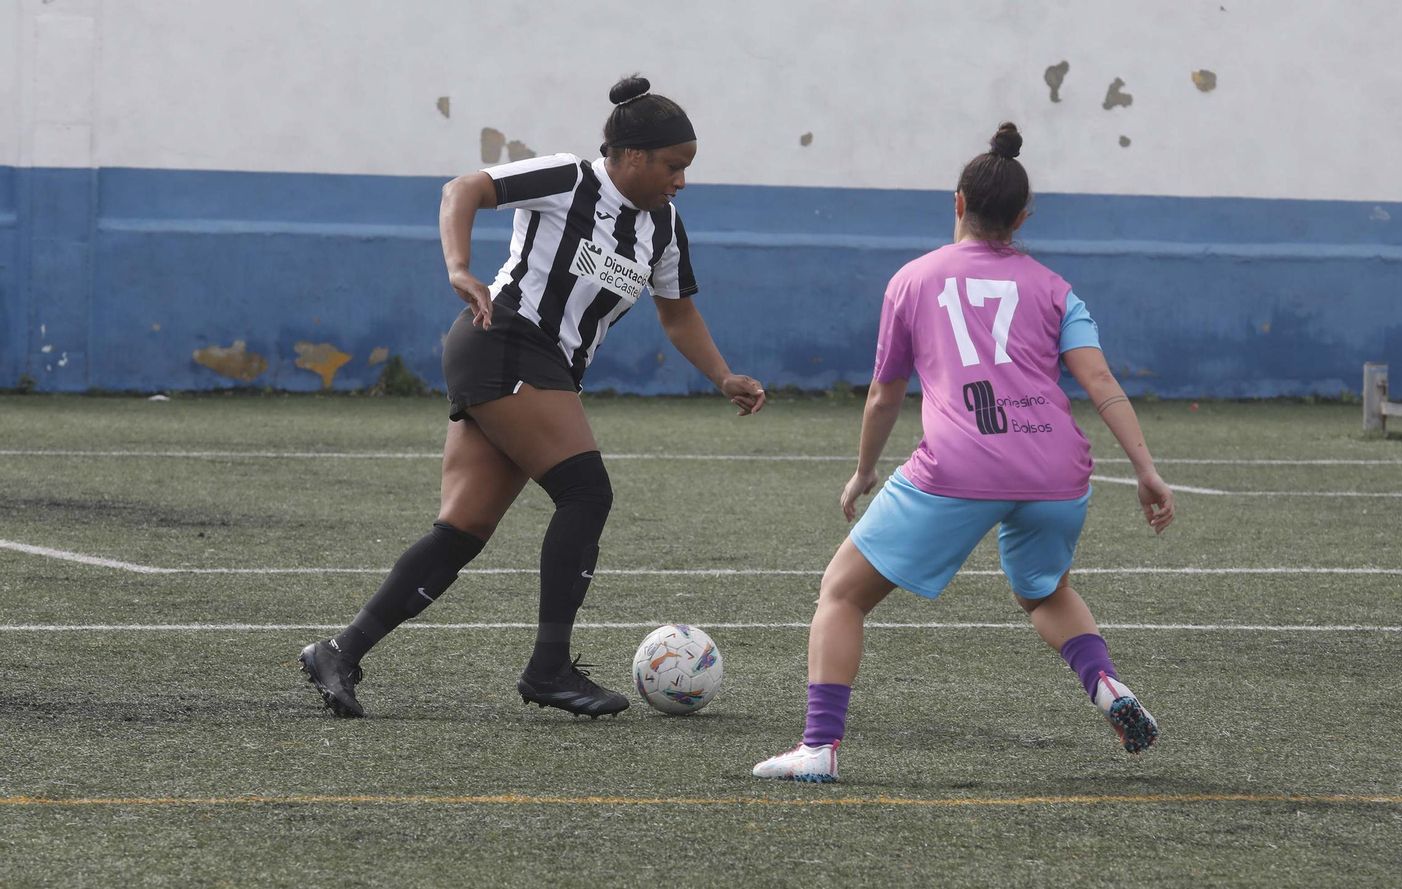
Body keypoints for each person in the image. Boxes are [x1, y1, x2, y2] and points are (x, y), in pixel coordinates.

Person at [298, 74, 766, 719]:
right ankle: (549, 669)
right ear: (631, 155)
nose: (681, 180)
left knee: (462, 530)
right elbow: (463, 189)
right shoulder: (569, 178)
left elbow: (678, 313)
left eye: (686, 167)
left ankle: (339, 651)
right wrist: (459, 268)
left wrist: (723, 376)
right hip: (506, 341)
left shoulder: (663, 227)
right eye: (672, 165)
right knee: (586, 492)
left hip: (542, 367)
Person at [752, 122, 1174, 782]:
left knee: (842, 593)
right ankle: (1106, 685)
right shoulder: (1056, 288)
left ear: (957, 202)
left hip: (959, 465)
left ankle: (819, 748)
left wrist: (865, 469)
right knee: (1045, 592)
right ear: (1023, 217)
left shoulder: (913, 280)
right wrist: (1146, 470)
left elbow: (884, 395)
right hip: (1056, 469)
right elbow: (1101, 382)